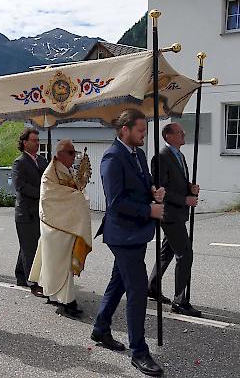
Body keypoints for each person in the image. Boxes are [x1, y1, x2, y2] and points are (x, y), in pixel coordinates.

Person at [91, 109, 166, 377]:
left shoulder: (138, 154)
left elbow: (143, 183)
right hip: (122, 235)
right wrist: (149, 210)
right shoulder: (112, 158)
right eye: (140, 131)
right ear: (125, 130)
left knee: (119, 281)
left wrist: (154, 191)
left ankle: (100, 328)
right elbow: (116, 202)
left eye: (144, 131)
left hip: (136, 233)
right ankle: (139, 352)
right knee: (137, 289)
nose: (144, 136)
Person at [29, 139, 92, 318]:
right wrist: (78, 198)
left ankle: (54, 294)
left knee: (58, 262)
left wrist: (78, 192)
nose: (74, 156)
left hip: (64, 222)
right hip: (55, 224)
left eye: (74, 152)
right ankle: (67, 301)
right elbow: (50, 198)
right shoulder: (50, 174)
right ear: (60, 154)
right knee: (59, 262)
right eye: (71, 153)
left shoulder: (67, 170)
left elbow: (71, 191)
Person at [147, 122, 201, 317]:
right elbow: (160, 190)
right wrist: (185, 198)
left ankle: (152, 287)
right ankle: (180, 301)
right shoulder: (161, 158)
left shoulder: (180, 156)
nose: (184, 134)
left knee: (166, 252)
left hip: (178, 213)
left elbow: (177, 182)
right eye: (180, 132)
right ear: (168, 136)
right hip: (169, 214)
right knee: (185, 254)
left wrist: (190, 187)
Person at [12, 127, 48, 297]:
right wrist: (41, 194)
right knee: (30, 248)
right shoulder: (19, 162)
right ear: (25, 143)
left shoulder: (42, 160)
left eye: (38, 140)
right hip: (25, 212)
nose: (37, 143)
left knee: (27, 244)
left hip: (39, 211)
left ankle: (20, 274)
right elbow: (20, 186)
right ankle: (33, 283)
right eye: (34, 140)